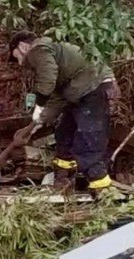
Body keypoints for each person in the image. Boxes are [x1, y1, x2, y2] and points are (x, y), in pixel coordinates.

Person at [8, 31, 117, 193]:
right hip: (79, 92)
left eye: (17, 57)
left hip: (94, 88)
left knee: (87, 141)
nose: (20, 63)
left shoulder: (37, 50)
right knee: (64, 135)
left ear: (23, 46)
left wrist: (39, 105)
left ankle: (103, 191)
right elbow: (59, 96)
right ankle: (64, 179)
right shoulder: (54, 54)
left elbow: (48, 80)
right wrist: (40, 120)